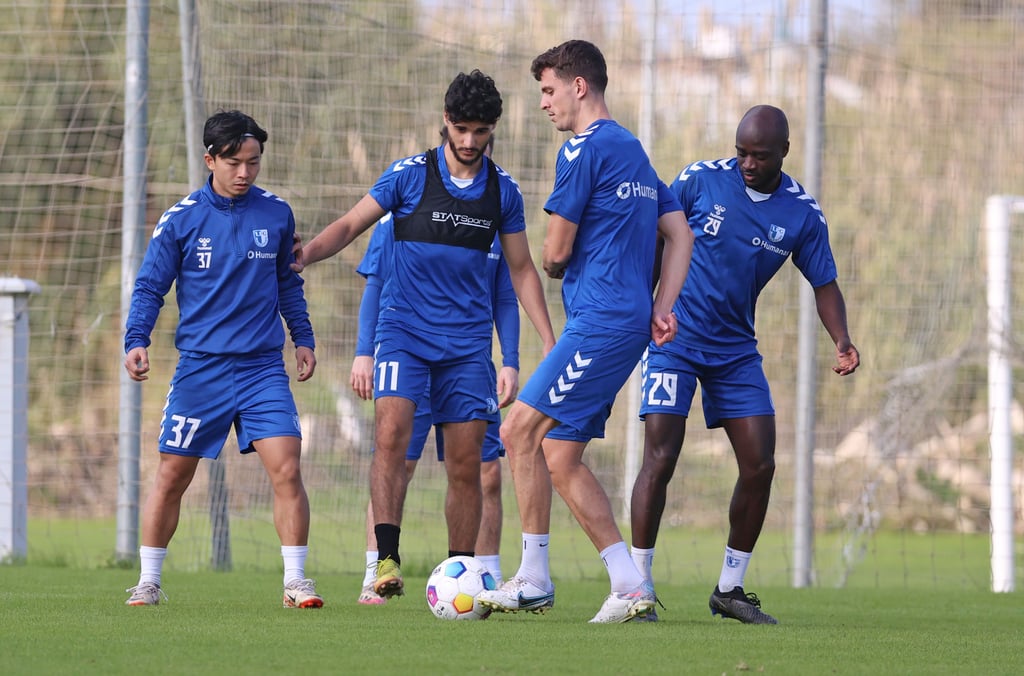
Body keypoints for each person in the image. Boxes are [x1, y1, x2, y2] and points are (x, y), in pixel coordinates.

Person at [292, 70, 555, 600]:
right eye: (460, 128)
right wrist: (307, 253)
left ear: (493, 129)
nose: (469, 141)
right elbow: (349, 226)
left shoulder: (502, 192)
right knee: (390, 438)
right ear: (445, 122)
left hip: (465, 348)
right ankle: (385, 562)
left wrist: (549, 343)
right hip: (404, 334)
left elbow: (522, 270)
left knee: (466, 465)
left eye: (480, 131)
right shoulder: (408, 177)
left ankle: (460, 574)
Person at [476, 40, 694, 624]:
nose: (544, 104)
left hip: (598, 323)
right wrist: (660, 307)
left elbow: (554, 250)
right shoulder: (636, 152)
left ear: (579, 86)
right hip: (623, 322)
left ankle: (533, 579)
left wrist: (553, 262)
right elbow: (680, 235)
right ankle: (629, 584)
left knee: (517, 427)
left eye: (548, 90)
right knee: (559, 451)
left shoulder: (583, 148)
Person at [629, 104, 861, 625]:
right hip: (675, 336)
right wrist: (646, 311)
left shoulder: (801, 214)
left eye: (759, 155)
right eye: (741, 153)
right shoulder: (699, 180)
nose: (748, 164)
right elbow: (654, 241)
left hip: (735, 352)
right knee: (660, 455)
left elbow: (824, 283)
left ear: (783, 152)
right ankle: (637, 587)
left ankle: (729, 589)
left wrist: (842, 340)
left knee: (760, 464)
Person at [123, 110, 323, 608]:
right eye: (234, 163)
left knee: (288, 467)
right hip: (201, 369)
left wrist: (303, 336)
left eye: (253, 163)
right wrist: (136, 338)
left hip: (261, 370)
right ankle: (148, 581)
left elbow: (286, 283)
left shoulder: (277, 214)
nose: (245, 173)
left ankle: (295, 582)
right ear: (210, 159)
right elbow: (151, 285)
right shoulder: (182, 218)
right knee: (173, 474)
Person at [354, 201, 518, 604]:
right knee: (396, 461)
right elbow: (375, 284)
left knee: (486, 472)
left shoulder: (495, 218)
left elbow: (505, 295)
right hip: (410, 357)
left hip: (466, 361)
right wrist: (365, 351)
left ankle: (482, 578)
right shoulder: (399, 214)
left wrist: (510, 359)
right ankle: (377, 569)